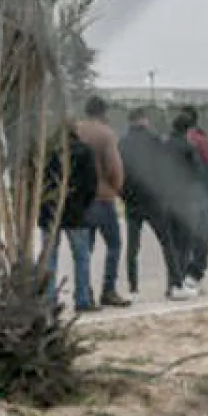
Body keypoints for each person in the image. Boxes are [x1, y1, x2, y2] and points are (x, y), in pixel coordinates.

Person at [75, 96, 131, 308]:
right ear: (103, 112)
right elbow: (114, 167)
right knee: (114, 245)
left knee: (84, 249)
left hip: (80, 198)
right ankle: (108, 289)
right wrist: (116, 187)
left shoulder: (77, 130)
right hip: (102, 196)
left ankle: (84, 291)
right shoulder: (106, 134)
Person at [41, 127, 99, 310]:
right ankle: (82, 299)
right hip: (77, 212)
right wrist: (84, 204)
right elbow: (92, 183)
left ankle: (49, 299)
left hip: (49, 211)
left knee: (49, 256)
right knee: (81, 257)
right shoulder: (84, 151)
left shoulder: (45, 151)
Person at [118, 108, 167, 296]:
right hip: (152, 198)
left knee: (132, 246)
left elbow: (119, 171)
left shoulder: (122, 142)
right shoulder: (155, 140)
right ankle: (173, 281)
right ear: (143, 120)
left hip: (132, 200)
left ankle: (133, 284)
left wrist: (123, 195)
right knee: (166, 241)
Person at [162, 114, 205, 300]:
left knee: (171, 244)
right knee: (184, 244)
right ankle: (178, 284)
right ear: (188, 130)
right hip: (185, 200)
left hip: (165, 198)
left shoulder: (163, 146)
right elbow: (198, 172)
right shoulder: (188, 148)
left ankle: (170, 283)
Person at [180, 105, 208, 286]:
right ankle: (195, 273)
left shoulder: (175, 140)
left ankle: (182, 271)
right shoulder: (202, 141)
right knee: (202, 236)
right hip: (201, 193)